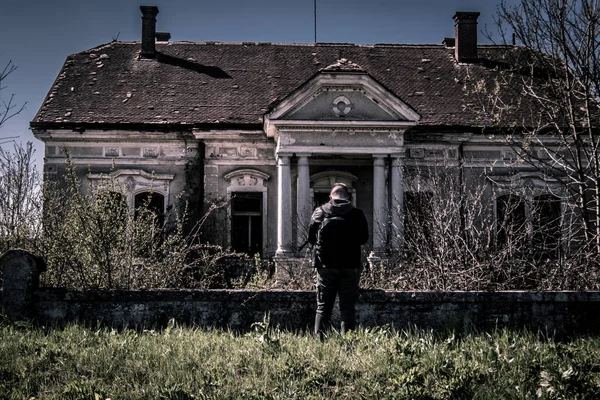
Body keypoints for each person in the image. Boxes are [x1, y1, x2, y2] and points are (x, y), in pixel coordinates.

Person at [307, 183, 369, 336]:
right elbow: (363, 239)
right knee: (347, 308)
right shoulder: (357, 214)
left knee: (322, 307)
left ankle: (320, 342)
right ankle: (348, 344)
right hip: (350, 266)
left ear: (330, 196)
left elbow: (310, 239)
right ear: (348, 197)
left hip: (326, 267)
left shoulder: (320, 212)